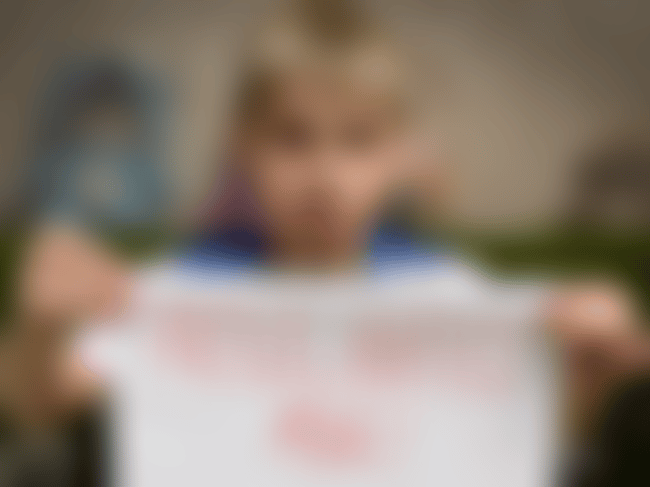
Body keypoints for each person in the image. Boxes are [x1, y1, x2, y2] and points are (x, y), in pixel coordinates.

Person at [4, 0, 649, 484]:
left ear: (402, 154)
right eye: (293, 138)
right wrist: (41, 327)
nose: (326, 175)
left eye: (358, 141)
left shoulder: (450, 296)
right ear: (244, 146)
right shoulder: (182, 293)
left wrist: (584, 383)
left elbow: (511, 452)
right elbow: (35, 401)